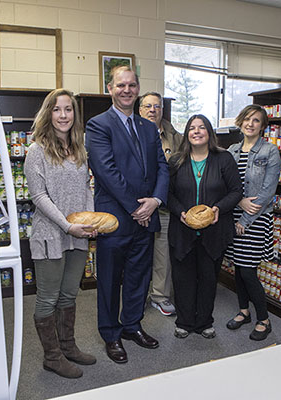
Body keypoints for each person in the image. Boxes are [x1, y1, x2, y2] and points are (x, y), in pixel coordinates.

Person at [85, 66, 169, 364]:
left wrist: (155, 200)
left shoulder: (148, 127)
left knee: (139, 277)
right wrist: (137, 208)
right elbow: (106, 172)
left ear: (138, 89)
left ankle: (132, 325)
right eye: (121, 85)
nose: (127, 90)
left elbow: (162, 166)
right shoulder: (98, 125)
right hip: (115, 219)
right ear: (110, 88)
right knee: (109, 279)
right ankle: (110, 333)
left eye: (132, 85)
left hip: (146, 218)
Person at [24, 89, 97, 379]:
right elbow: (38, 197)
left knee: (69, 294)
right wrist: (68, 226)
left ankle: (68, 346)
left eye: (68, 110)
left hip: (78, 233)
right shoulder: (36, 151)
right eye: (57, 110)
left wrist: (90, 221)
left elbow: (86, 189)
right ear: (48, 113)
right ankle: (52, 357)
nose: (63, 115)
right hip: (51, 235)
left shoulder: (80, 149)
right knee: (48, 297)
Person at [167, 114, 242, 339]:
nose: (196, 131)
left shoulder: (224, 159)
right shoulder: (176, 161)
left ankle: (204, 322)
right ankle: (184, 321)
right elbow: (167, 193)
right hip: (182, 231)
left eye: (201, 128)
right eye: (192, 128)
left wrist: (219, 208)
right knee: (183, 278)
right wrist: (180, 211)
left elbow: (236, 191)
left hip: (214, 232)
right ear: (186, 134)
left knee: (208, 278)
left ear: (209, 133)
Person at [225, 104, 280, 341]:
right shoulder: (231, 150)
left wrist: (246, 218)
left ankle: (263, 319)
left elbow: (268, 191)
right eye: (247, 119)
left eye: (256, 120)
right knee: (238, 266)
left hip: (256, 218)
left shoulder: (270, 151)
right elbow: (226, 185)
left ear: (262, 126)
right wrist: (238, 204)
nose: (250, 123)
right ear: (240, 121)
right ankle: (244, 311)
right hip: (234, 215)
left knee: (248, 270)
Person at [138, 92, 182, 316]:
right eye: (148, 106)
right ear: (140, 110)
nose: (152, 110)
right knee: (137, 254)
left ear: (162, 111)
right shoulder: (131, 131)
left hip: (163, 206)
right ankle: (137, 295)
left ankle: (159, 296)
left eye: (157, 106)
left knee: (162, 255)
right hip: (136, 207)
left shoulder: (175, 137)